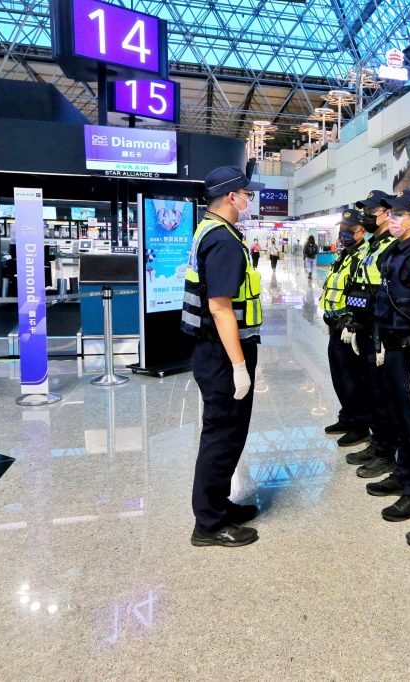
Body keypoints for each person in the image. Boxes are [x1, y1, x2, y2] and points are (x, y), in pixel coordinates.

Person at [182, 166, 265, 548]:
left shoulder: (211, 230)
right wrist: (238, 366)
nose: (249, 199)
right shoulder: (223, 240)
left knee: (228, 433)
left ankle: (218, 503)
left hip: (214, 350)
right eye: (247, 193)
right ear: (232, 197)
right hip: (222, 354)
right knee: (222, 434)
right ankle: (209, 523)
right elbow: (219, 308)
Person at [364, 190, 410, 523]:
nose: (391, 219)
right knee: (398, 416)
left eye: (398, 214)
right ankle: (403, 472)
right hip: (392, 346)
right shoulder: (395, 250)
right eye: (391, 213)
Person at [340, 190, 400, 475]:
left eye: (371, 212)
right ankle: (378, 442)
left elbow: (390, 296)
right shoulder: (372, 246)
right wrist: (353, 321)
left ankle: (387, 450)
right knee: (372, 390)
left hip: (381, 332)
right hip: (365, 327)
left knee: (383, 394)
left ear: (387, 213)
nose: (365, 216)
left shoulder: (392, 247)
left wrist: (382, 333)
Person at [320, 210, 371, 448]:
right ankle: (347, 417)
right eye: (342, 229)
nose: (344, 234)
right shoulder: (343, 256)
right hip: (335, 325)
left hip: (349, 328)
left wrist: (352, 321)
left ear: (362, 231)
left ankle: (360, 425)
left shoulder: (364, 257)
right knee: (339, 376)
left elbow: (363, 292)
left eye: (350, 230)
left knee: (353, 379)